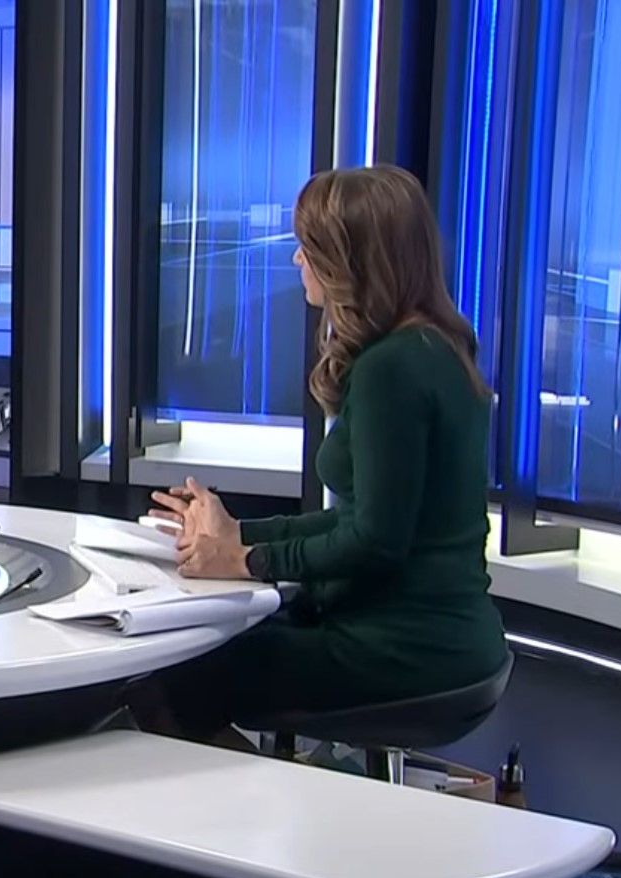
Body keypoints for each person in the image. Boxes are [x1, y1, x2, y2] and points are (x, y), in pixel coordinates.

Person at [137, 164, 508, 744]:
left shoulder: (392, 369)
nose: (297, 260)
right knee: (212, 650)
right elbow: (360, 520)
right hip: (449, 642)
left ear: (350, 260)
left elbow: (375, 542)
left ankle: (238, 802)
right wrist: (240, 535)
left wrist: (246, 561)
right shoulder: (437, 347)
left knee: (166, 676)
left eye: (308, 248)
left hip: (404, 649)